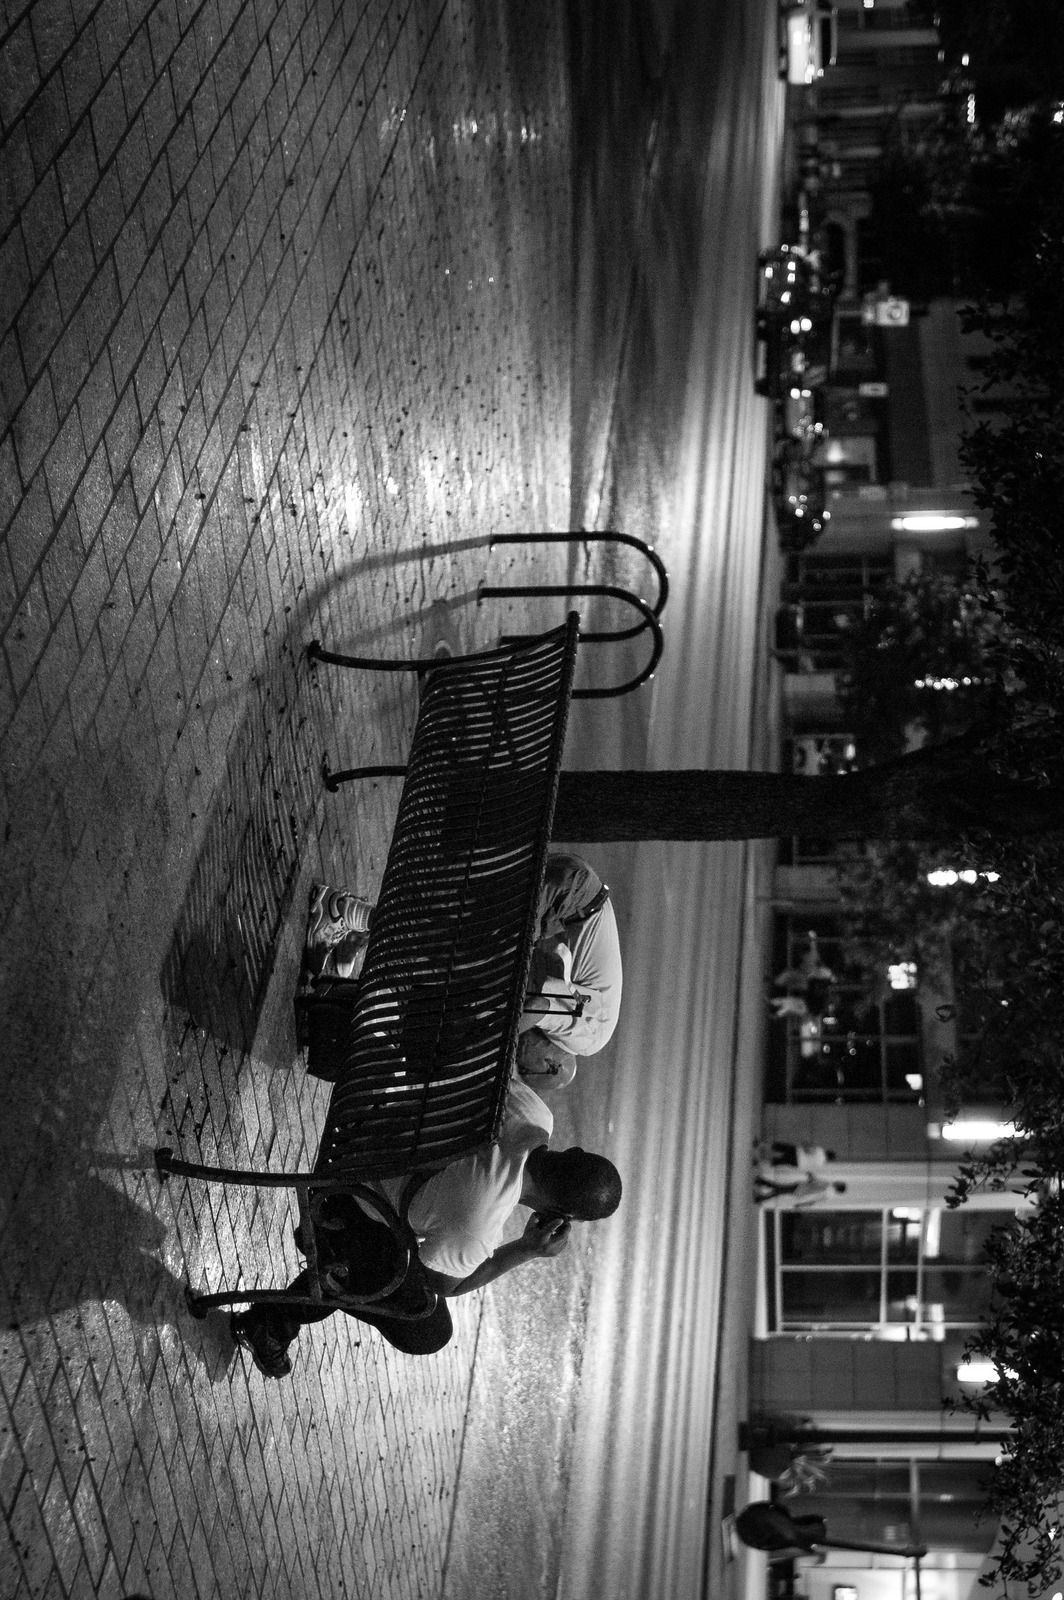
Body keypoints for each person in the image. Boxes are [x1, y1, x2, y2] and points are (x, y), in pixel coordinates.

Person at [230, 1076, 622, 1376]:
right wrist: (524, 1249)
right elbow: (442, 1284)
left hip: (360, 1118)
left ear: (572, 1150)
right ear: (561, 1214)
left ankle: (310, 1286)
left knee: (390, 1261)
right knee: (425, 1326)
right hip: (348, 1195)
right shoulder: (480, 1221)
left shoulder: (534, 1111)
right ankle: (276, 1318)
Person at [306, 850, 623, 1059]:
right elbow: (538, 1007)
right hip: (568, 895)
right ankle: (342, 912)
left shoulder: (589, 1009)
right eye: (529, 1064)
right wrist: (486, 1048)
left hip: (571, 882)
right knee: (461, 952)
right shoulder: (590, 1039)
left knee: (464, 940)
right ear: (551, 1061)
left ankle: (359, 923)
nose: (522, 1057)